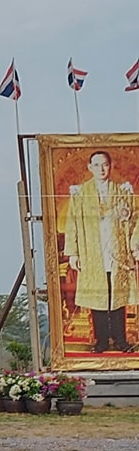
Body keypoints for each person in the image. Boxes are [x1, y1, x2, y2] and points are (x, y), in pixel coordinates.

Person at [60, 149, 136, 353]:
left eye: (105, 164)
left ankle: (121, 340)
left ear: (110, 166)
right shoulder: (80, 194)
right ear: (90, 168)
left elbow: (135, 221)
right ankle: (101, 340)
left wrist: (134, 248)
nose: (101, 169)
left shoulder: (123, 191)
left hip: (117, 253)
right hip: (92, 252)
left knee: (117, 296)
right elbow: (72, 224)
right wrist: (73, 253)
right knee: (98, 297)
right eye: (97, 165)